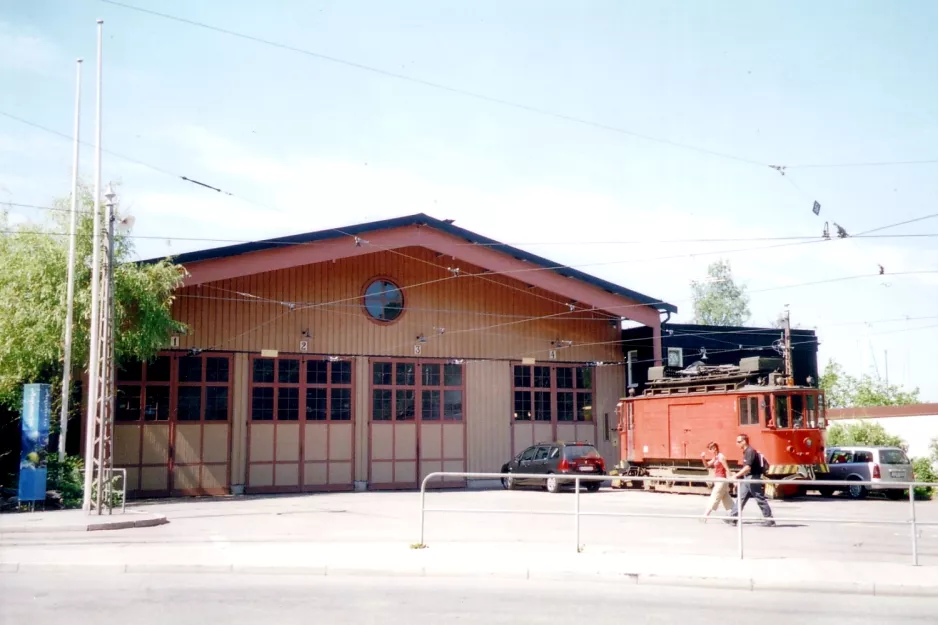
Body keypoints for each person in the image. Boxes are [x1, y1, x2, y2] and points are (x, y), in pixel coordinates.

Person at [725, 433, 776, 527]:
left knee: (759, 498)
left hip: (752, 478)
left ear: (744, 442)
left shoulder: (750, 451)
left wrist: (736, 476)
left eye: (739, 442)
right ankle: (733, 518)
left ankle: (769, 519)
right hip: (747, 478)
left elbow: (747, 467)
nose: (737, 443)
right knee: (741, 498)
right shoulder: (746, 451)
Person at [700, 442, 732, 522]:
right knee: (727, 500)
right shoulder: (716, 457)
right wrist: (703, 458)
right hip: (719, 481)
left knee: (714, 497)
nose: (710, 451)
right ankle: (734, 515)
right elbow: (707, 465)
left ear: (714, 448)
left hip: (721, 481)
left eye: (710, 449)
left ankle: (705, 517)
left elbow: (727, 468)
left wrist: (732, 479)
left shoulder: (721, 457)